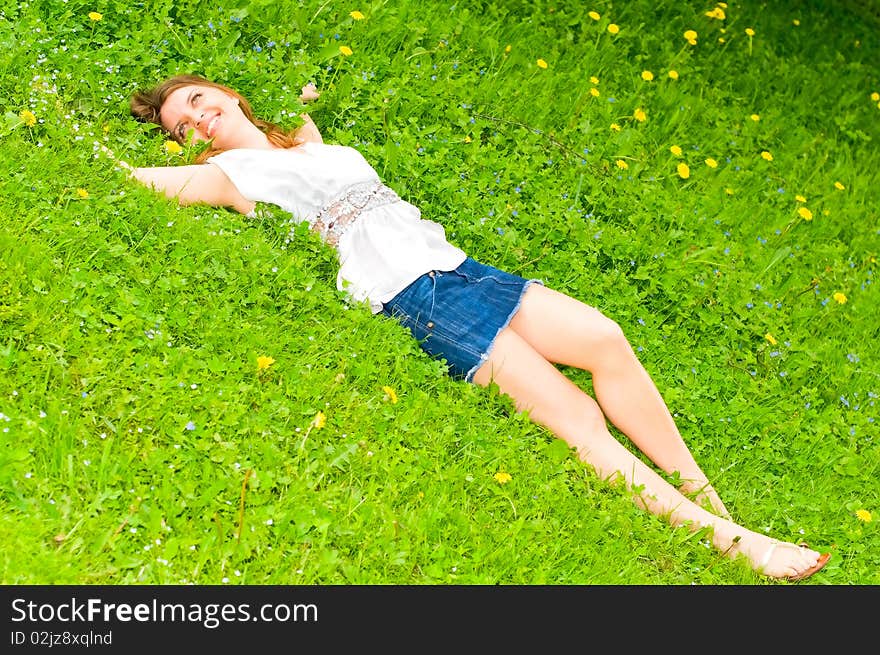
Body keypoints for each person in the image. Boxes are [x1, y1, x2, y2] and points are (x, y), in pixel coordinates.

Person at [115, 73, 830, 582]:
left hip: (460, 267)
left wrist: (309, 108)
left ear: (228, 93)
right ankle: (736, 545)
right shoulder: (230, 177)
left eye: (199, 101)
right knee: (576, 416)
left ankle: (712, 504)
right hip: (414, 295)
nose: (198, 118)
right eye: (184, 124)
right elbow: (127, 176)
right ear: (187, 145)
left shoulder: (301, 146)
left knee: (606, 337)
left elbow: (317, 147)